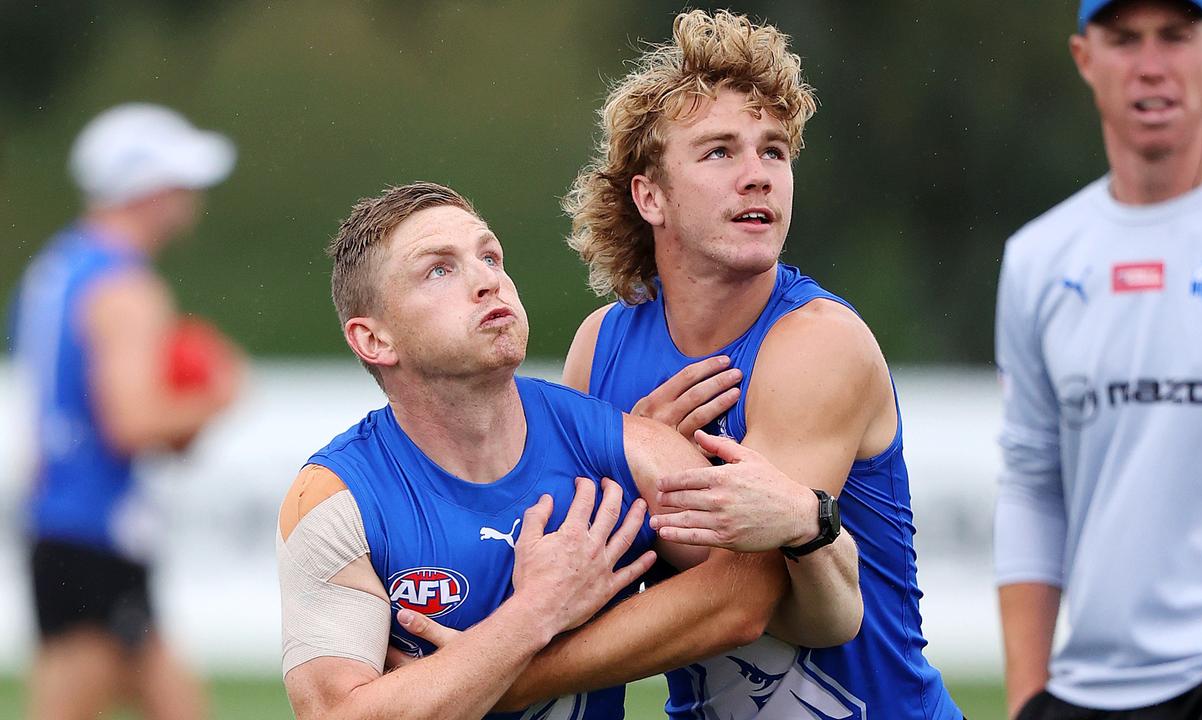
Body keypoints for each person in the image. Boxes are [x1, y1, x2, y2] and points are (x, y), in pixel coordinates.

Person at [278, 182, 863, 720]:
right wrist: (537, 613)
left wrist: (811, 520)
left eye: (489, 257)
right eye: (437, 271)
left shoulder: (621, 446)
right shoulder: (335, 498)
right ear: (372, 338)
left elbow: (753, 595)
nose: (487, 281)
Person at [543, 9, 961, 720]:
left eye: (773, 151)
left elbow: (743, 600)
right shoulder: (600, 346)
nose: (758, 176)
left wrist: (510, 680)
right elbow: (575, 572)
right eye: (719, 153)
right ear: (650, 196)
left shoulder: (819, 341)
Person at [994, 1, 1202, 718]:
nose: (1151, 65)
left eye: (1175, 37)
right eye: (1124, 40)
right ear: (1085, 58)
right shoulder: (1038, 258)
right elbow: (1032, 483)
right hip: (1086, 693)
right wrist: (1029, 697)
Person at [10, 103, 242, 720]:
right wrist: (217, 395)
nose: (191, 199)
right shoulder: (128, 289)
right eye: (181, 184)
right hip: (94, 532)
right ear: (149, 192)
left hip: (63, 526)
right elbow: (132, 423)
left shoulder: (55, 269)